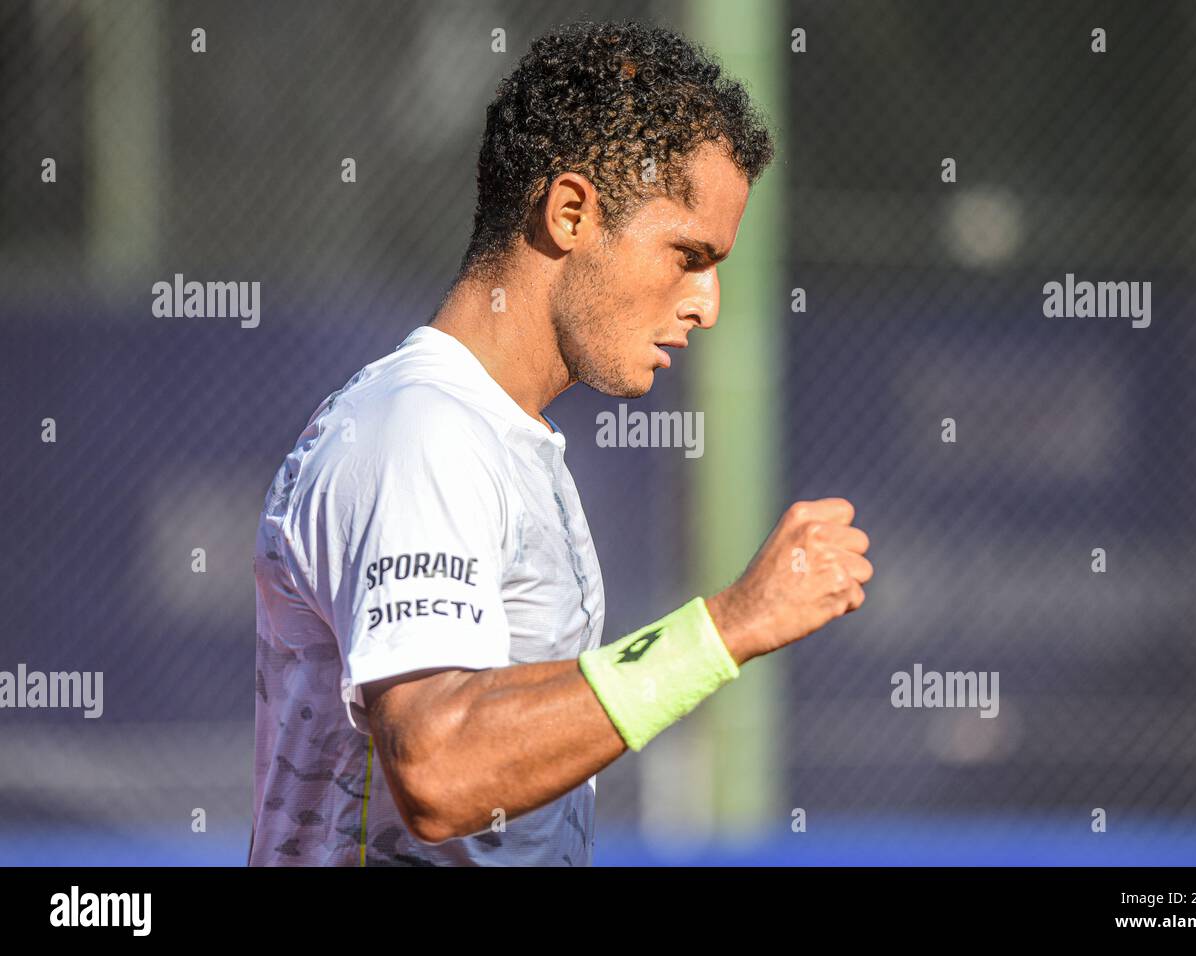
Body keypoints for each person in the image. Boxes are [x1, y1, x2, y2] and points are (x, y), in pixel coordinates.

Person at [249, 19, 872, 866]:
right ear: (571, 212)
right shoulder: (422, 432)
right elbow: (437, 768)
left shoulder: (497, 435)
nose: (707, 303)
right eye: (687, 254)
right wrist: (727, 628)